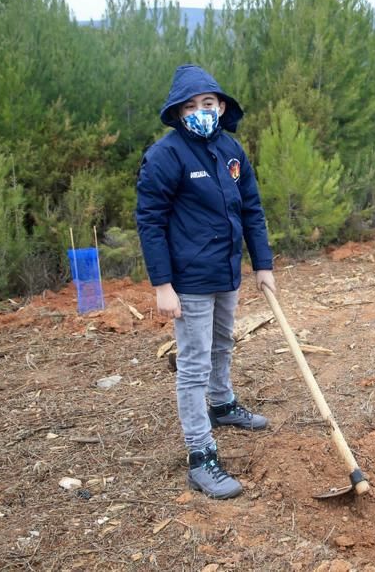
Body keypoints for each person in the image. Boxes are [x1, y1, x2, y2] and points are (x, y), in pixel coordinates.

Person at [136, 64, 276, 498]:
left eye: (208, 103)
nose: (201, 111)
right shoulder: (166, 155)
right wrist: (162, 285)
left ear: (221, 106)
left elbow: (251, 208)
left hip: (226, 271)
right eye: (192, 105)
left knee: (223, 343)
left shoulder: (231, 150)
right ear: (178, 112)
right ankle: (201, 455)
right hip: (189, 280)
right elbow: (150, 221)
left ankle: (222, 403)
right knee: (193, 364)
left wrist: (263, 264)